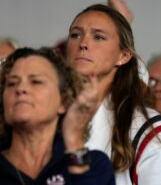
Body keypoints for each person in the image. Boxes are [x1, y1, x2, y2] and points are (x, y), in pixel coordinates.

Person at [65, 4, 161, 184]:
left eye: (98, 37)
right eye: (75, 35)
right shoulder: (43, 113)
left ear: (124, 56)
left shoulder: (147, 129)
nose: (83, 44)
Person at [0, 47, 115, 185]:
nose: (20, 89)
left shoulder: (94, 164)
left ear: (64, 101)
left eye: (36, 81)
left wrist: (74, 140)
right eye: (12, 83)